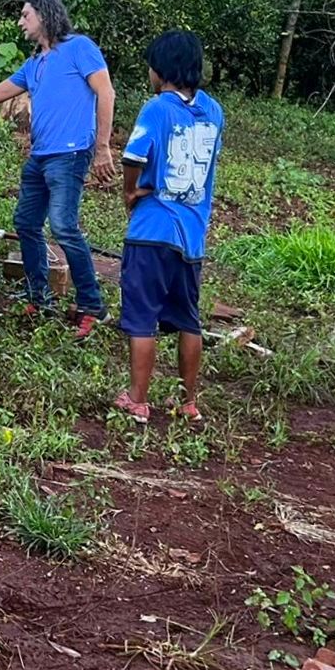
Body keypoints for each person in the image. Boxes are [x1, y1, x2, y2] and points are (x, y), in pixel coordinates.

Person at [0, 0, 115, 339]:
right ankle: (39, 297)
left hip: (71, 154)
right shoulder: (34, 65)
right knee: (27, 223)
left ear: (44, 15)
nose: (21, 22)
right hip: (40, 157)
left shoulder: (79, 48)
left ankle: (93, 306)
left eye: (25, 15)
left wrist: (103, 147)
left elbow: (106, 93)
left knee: (63, 226)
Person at [112, 30, 224, 425]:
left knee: (142, 317)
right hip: (192, 234)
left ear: (161, 69)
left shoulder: (156, 108)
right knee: (187, 319)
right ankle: (187, 401)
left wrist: (130, 192)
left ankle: (138, 399)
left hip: (152, 230)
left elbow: (132, 156)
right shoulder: (214, 110)